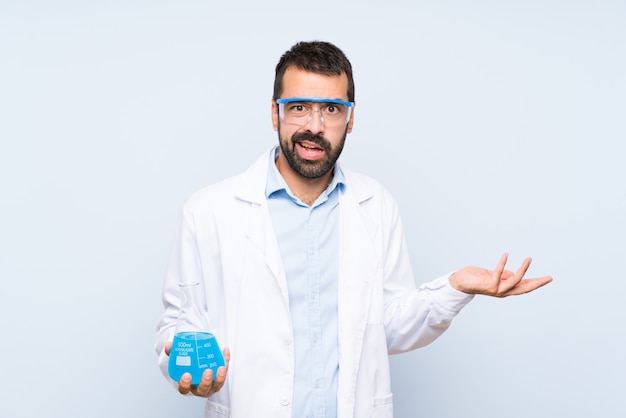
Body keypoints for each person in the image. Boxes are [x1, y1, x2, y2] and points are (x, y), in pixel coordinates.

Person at [155, 40, 552, 418]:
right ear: (275, 113)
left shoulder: (375, 205)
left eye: (331, 109)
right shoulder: (208, 210)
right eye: (298, 107)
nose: (314, 126)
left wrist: (456, 286)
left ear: (350, 118)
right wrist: (189, 373)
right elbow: (178, 325)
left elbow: (390, 327)